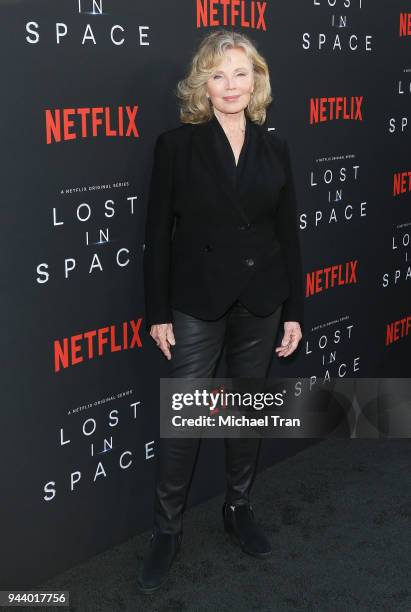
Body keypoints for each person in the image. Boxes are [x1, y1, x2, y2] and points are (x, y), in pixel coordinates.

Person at [137, 29, 304, 594]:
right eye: (218, 74)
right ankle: (166, 531)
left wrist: (294, 311)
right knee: (186, 414)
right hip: (198, 300)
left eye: (241, 73)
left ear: (256, 80)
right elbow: (157, 236)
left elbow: (288, 235)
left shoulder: (275, 148)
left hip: (261, 300)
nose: (231, 85)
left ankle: (238, 506)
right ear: (201, 85)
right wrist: (157, 311)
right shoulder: (175, 146)